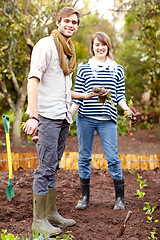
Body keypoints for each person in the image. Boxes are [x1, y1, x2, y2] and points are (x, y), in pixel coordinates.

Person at [23, 9, 107, 236]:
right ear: (58, 22)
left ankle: (50, 214)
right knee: (45, 168)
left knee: (53, 166)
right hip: (47, 116)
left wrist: (86, 95)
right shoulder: (46, 45)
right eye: (67, 21)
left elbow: (63, 90)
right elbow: (33, 79)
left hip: (62, 117)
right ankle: (38, 222)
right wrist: (33, 115)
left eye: (75, 22)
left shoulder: (67, 51)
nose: (71, 25)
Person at [72, 32, 139, 211]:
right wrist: (67, 116)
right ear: (92, 47)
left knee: (112, 157)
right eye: (96, 44)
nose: (100, 47)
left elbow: (120, 96)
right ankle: (85, 198)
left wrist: (126, 109)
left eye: (103, 44)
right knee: (84, 157)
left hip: (107, 120)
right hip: (85, 118)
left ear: (108, 46)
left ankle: (120, 199)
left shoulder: (117, 69)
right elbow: (77, 97)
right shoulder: (84, 69)